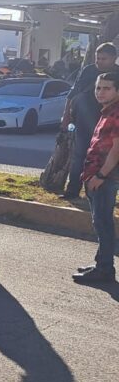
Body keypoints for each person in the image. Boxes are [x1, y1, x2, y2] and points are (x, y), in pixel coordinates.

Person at [72, 71, 119, 285]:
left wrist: (101, 175)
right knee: (100, 221)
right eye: (98, 87)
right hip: (95, 173)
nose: (100, 92)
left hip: (104, 176)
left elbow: (116, 150)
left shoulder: (117, 113)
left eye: (106, 88)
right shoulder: (107, 110)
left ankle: (105, 270)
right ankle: (102, 262)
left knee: (103, 222)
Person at [62, 42, 118, 199]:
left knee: (108, 158)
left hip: (110, 122)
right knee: (79, 155)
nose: (99, 62)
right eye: (97, 58)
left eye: (103, 59)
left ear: (114, 58)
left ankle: (101, 193)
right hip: (85, 120)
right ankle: (72, 190)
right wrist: (65, 118)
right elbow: (72, 94)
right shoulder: (89, 71)